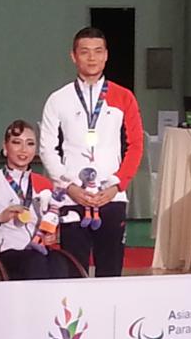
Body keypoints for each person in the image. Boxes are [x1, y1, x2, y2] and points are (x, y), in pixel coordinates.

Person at [39, 26, 144, 277]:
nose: (92, 58)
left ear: (106, 55)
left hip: (112, 196)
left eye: (98, 51)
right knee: (74, 272)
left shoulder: (123, 97)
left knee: (110, 272)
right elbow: (47, 148)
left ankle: (108, 318)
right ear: (73, 56)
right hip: (72, 197)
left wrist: (116, 185)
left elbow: (136, 145)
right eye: (84, 52)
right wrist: (70, 186)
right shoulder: (58, 99)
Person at [0, 120, 71, 280]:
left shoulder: (43, 184)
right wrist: (0, 218)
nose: (23, 150)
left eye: (29, 144)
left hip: (38, 251)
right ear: (5, 148)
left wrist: (52, 235)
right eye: (16, 143)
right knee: (34, 262)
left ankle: (54, 305)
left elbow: (52, 219)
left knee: (60, 262)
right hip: (3, 254)